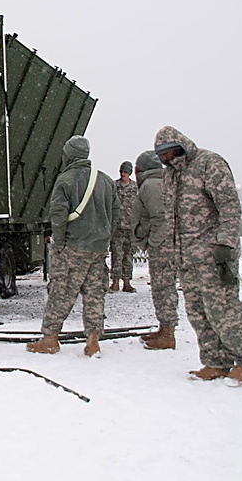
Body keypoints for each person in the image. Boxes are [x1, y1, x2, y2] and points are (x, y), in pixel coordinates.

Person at [154, 126, 242, 385]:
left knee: (223, 309)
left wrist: (225, 244)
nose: (166, 158)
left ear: (180, 145)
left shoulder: (209, 163)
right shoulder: (169, 176)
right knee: (198, 312)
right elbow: (172, 216)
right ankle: (216, 362)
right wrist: (172, 252)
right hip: (186, 258)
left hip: (212, 255)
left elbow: (229, 206)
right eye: (161, 154)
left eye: (169, 152)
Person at [27, 136, 119, 357]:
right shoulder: (105, 181)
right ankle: (93, 338)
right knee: (95, 294)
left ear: (68, 155)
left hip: (73, 246)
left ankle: (50, 339)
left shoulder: (65, 180)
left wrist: (59, 243)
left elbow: (57, 216)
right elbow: (115, 214)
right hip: (98, 248)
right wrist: (104, 236)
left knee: (61, 292)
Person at [131, 150, 179, 350]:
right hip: (170, 242)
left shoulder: (151, 186)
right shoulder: (167, 181)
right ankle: (165, 327)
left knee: (162, 287)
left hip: (162, 245)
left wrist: (151, 240)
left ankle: (168, 333)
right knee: (164, 285)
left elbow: (158, 218)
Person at [109, 160, 138, 293]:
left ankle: (127, 282)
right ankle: (115, 281)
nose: (123, 174)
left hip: (131, 227)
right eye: (121, 171)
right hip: (117, 227)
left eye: (125, 172)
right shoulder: (114, 186)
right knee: (116, 254)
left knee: (128, 255)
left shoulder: (135, 188)